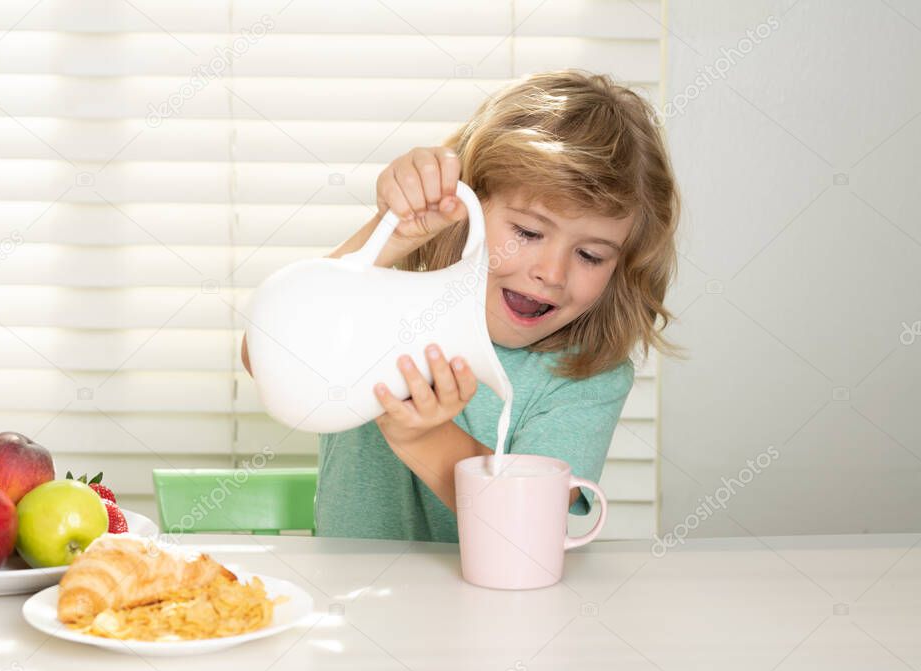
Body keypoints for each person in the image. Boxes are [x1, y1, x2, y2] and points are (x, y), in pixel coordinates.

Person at [242, 69, 682, 542]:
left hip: (495, 611)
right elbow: (262, 355)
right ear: (471, 206)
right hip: (350, 604)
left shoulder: (586, 376)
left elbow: (528, 529)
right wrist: (391, 233)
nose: (551, 273)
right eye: (529, 233)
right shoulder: (386, 305)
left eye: (590, 255)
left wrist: (423, 436)